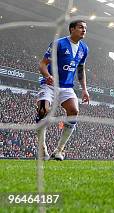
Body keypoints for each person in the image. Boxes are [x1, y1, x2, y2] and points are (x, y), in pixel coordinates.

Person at [36, 20, 90, 161]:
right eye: (80, 27)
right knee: (43, 110)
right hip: (50, 84)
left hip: (66, 87)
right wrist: (47, 76)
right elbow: (42, 64)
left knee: (74, 112)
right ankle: (42, 148)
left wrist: (84, 89)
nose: (84, 30)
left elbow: (80, 70)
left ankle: (59, 151)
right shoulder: (59, 44)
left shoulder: (84, 49)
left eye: (85, 28)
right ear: (72, 29)